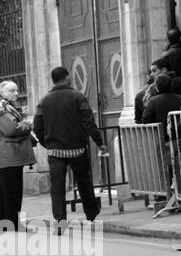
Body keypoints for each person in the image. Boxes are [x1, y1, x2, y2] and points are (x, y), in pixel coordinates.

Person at [33, 66, 108, 224]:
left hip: (55, 151)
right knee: (84, 182)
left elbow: (37, 126)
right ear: (67, 77)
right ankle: (91, 212)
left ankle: (60, 219)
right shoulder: (78, 97)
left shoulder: (43, 101)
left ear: (53, 80)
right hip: (77, 148)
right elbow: (89, 122)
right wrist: (99, 143)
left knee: (57, 187)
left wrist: (47, 143)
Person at [0, 80, 35, 229]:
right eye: (12, 91)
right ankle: (12, 223)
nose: (16, 93)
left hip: (10, 155)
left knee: (7, 193)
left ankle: (6, 223)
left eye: (17, 90)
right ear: (2, 93)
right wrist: (28, 124)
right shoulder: (2, 108)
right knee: (11, 192)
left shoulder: (9, 107)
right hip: (9, 156)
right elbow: (11, 130)